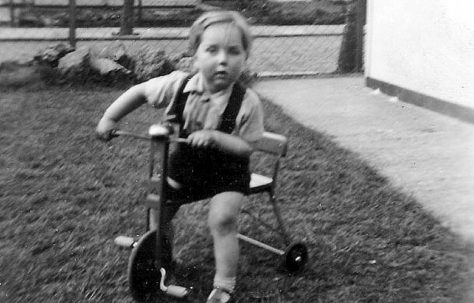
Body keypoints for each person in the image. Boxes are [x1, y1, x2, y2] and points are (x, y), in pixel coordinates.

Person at [96, 10, 264, 303]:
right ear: (195, 55)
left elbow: (247, 147)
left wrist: (215, 136)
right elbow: (138, 91)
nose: (223, 59)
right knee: (158, 208)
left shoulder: (247, 102)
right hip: (185, 169)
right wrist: (110, 118)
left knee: (222, 219)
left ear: (245, 57)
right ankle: (161, 258)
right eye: (212, 50)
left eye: (233, 51)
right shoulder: (178, 85)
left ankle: (224, 284)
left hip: (228, 174)